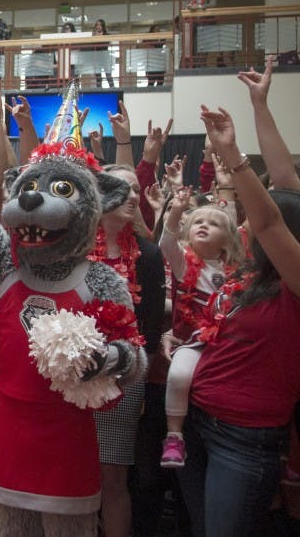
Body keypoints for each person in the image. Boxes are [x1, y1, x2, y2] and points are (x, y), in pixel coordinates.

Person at [176, 105, 300, 536]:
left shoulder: (295, 283)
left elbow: (272, 212)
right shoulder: (244, 272)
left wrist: (233, 156)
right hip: (197, 421)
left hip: (244, 439)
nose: (244, 226)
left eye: (252, 224)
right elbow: (282, 190)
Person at [89, 165, 166, 537]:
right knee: (71, 474)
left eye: (136, 188)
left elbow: (149, 332)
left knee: (113, 479)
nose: (133, 195)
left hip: (124, 378)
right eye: (122, 188)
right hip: (71, 371)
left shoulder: (149, 257)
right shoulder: (74, 249)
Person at [159, 191, 244, 468]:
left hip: (229, 343)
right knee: (179, 374)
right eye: (198, 222)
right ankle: (174, 437)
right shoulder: (183, 263)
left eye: (214, 224)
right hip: (194, 342)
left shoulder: (238, 268)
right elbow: (167, 240)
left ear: (229, 239)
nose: (204, 226)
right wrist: (177, 209)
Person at [90, 19, 115, 88]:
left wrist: (99, 37)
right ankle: (99, 90)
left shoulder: (106, 35)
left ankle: (112, 88)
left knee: (108, 75)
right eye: (97, 25)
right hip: (96, 57)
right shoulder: (92, 35)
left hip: (104, 56)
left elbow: (106, 45)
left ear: (103, 26)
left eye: (100, 25)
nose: (98, 26)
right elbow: (91, 46)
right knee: (98, 76)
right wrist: (95, 37)